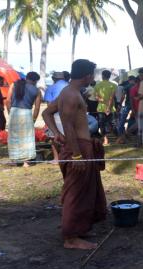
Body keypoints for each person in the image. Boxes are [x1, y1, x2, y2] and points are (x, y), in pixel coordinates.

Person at [42, 59, 107, 250]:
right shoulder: (70, 94)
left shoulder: (68, 92)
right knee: (76, 192)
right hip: (78, 148)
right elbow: (69, 125)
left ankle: (79, 228)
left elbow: (47, 114)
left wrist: (56, 133)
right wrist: (77, 155)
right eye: (92, 75)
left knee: (86, 190)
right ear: (87, 75)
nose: (92, 78)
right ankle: (70, 238)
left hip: (80, 145)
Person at [7, 72, 42, 167]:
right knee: (27, 138)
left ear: (26, 78)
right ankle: (26, 161)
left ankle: (14, 159)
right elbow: (37, 107)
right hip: (26, 114)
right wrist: (34, 119)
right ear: (35, 81)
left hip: (14, 112)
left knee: (14, 136)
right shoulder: (37, 90)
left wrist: (11, 113)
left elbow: (8, 101)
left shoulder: (14, 85)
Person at [94, 70, 117, 145]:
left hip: (101, 108)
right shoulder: (113, 85)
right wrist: (108, 107)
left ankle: (105, 139)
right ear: (109, 76)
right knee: (113, 123)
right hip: (111, 108)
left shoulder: (97, 85)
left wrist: (104, 102)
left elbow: (96, 97)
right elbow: (112, 98)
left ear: (102, 76)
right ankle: (118, 137)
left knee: (102, 124)